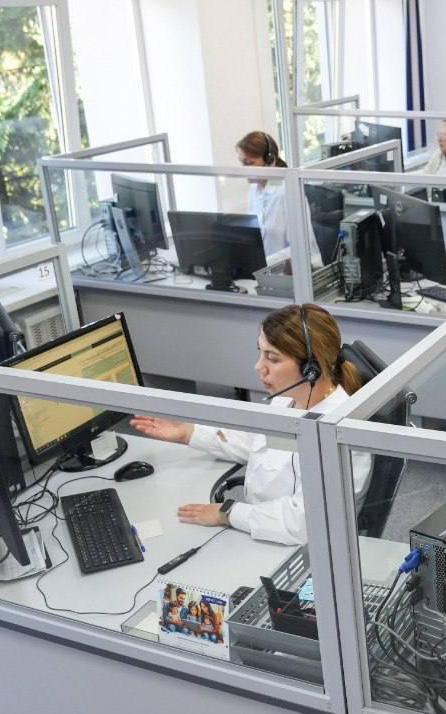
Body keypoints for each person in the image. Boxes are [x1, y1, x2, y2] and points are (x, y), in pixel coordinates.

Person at [130, 304, 371, 546]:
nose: (259, 366)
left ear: (311, 368)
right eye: (261, 353)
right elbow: (260, 442)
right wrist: (188, 433)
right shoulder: (289, 400)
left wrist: (228, 514)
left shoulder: (338, 433)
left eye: (272, 358)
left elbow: (303, 523)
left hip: (297, 546)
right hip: (262, 529)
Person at [235, 130, 323, 264]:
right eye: (242, 163)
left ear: (270, 160)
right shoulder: (254, 190)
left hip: (297, 270)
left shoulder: (289, 191)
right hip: (267, 270)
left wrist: (263, 263)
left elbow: (300, 248)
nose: (244, 169)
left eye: (249, 163)